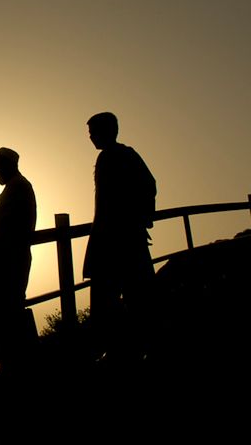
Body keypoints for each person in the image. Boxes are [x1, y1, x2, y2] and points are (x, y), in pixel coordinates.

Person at [83, 112, 156, 364]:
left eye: (93, 131)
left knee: (109, 296)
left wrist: (133, 219)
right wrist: (143, 218)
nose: (90, 137)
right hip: (129, 237)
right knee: (136, 293)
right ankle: (137, 345)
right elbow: (150, 185)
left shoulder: (109, 158)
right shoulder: (128, 154)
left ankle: (119, 350)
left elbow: (108, 204)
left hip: (112, 240)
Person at [0, 147, 38, 375]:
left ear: (7, 165)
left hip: (9, 260)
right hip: (8, 258)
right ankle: (14, 363)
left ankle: (13, 366)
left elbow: (9, 227)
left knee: (8, 310)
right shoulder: (17, 187)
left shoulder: (18, 188)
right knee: (8, 308)